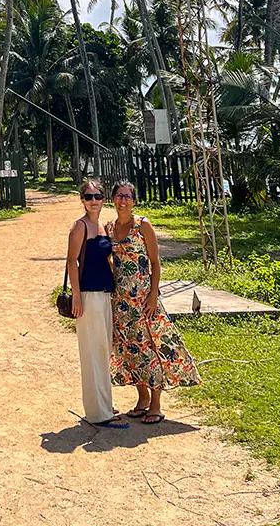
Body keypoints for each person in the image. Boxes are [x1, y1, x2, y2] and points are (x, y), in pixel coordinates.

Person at [106, 180, 201, 424]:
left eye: (127, 196)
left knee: (150, 347)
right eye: (119, 196)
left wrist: (153, 294)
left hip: (143, 299)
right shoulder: (109, 228)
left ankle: (156, 404)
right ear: (113, 199)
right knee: (130, 349)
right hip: (121, 301)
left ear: (134, 201)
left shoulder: (143, 225)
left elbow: (155, 262)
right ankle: (142, 398)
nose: (123, 200)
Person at [67, 177, 128, 428]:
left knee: (103, 351)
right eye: (89, 197)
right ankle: (98, 413)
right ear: (82, 200)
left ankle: (103, 404)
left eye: (98, 197)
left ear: (104, 200)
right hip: (89, 295)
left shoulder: (103, 227)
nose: (94, 201)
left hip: (105, 293)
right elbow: (72, 261)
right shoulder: (79, 227)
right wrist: (77, 296)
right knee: (92, 353)